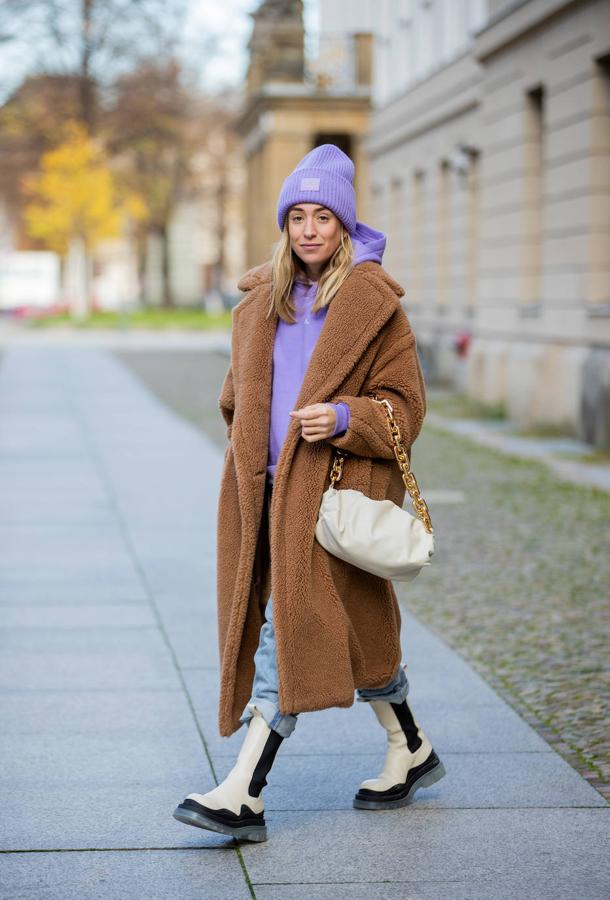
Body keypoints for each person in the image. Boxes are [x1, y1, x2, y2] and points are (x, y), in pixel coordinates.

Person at [174, 144, 445, 842]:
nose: (310, 229)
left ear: (344, 224)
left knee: (283, 634)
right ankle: (411, 746)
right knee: (359, 628)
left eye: (324, 216)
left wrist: (347, 418)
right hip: (262, 496)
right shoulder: (258, 304)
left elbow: (406, 407)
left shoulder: (375, 307)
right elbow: (235, 400)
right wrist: (249, 449)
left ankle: (244, 793)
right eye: (297, 216)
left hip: (328, 495)